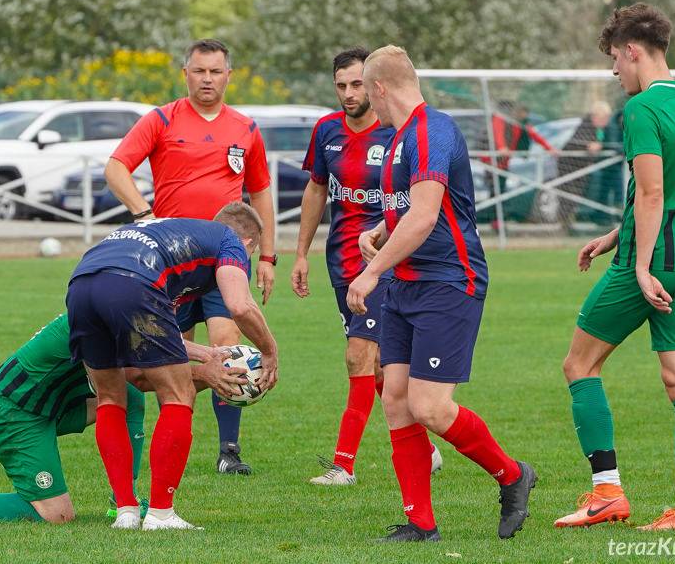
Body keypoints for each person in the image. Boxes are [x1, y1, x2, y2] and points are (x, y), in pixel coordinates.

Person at [346, 45, 536, 542]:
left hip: (450, 282)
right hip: (406, 286)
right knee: (396, 400)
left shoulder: (433, 131)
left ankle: (513, 476)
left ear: (380, 88)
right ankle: (421, 524)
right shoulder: (396, 141)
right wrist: (380, 233)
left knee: (430, 407)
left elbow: (428, 215)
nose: (367, 103)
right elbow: (410, 214)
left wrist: (369, 273)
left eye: (367, 91)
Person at [554, 3, 675, 532]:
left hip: (648, 265)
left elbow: (650, 192)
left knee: (579, 366)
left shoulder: (644, 109)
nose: (615, 73)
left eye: (615, 63)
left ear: (632, 51)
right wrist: (611, 236)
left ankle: (606, 493)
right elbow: (672, 193)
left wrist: (640, 266)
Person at [105, 38, 277, 475]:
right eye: (199, 71)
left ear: (228, 76)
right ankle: (170, 432)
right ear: (186, 73)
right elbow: (116, 168)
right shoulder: (161, 119)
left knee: (225, 343)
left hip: (224, 259)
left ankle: (229, 451)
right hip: (172, 264)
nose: (207, 79)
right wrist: (145, 215)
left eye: (215, 71)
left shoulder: (245, 128)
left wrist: (268, 256)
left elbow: (260, 192)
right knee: (164, 358)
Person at [0, 313, 244, 525]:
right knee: (56, 516)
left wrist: (210, 360)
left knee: (126, 397)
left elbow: (153, 360)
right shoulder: (94, 326)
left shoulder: (108, 313)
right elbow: (142, 376)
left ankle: (123, 501)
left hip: (51, 405)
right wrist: (206, 373)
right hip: (15, 414)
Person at [67, 203, 278, 530]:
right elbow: (239, 305)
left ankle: (125, 512)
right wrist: (269, 350)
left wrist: (208, 356)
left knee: (110, 397)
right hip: (133, 281)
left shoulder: (174, 234)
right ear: (248, 244)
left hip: (81, 283)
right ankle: (161, 514)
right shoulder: (229, 240)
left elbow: (147, 356)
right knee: (179, 394)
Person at [292, 47, 441, 486]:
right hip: (340, 261)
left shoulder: (397, 132)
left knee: (358, 357)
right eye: (341, 85)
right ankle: (425, 447)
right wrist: (301, 253)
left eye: (357, 84)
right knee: (377, 369)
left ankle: (344, 466)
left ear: (374, 85)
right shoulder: (326, 131)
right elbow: (316, 191)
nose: (348, 93)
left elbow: (416, 201)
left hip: (383, 264)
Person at [481, 101, 556, 229]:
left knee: (500, 192)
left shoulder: (521, 124)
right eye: (520, 112)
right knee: (495, 192)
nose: (523, 115)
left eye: (525, 113)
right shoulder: (501, 119)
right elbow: (498, 134)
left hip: (504, 164)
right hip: (492, 163)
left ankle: (497, 222)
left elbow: (534, 135)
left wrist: (549, 148)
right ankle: (495, 221)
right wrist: (502, 147)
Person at [556, 100, 623, 230]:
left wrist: (600, 145)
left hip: (582, 168)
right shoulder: (586, 125)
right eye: (604, 118)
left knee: (576, 195)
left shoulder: (600, 128)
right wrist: (590, 145)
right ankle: (564, 224)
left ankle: (567, 223)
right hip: (570, 166)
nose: (606, 121)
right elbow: (581, 143)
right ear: (596, 116)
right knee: (568, 195)